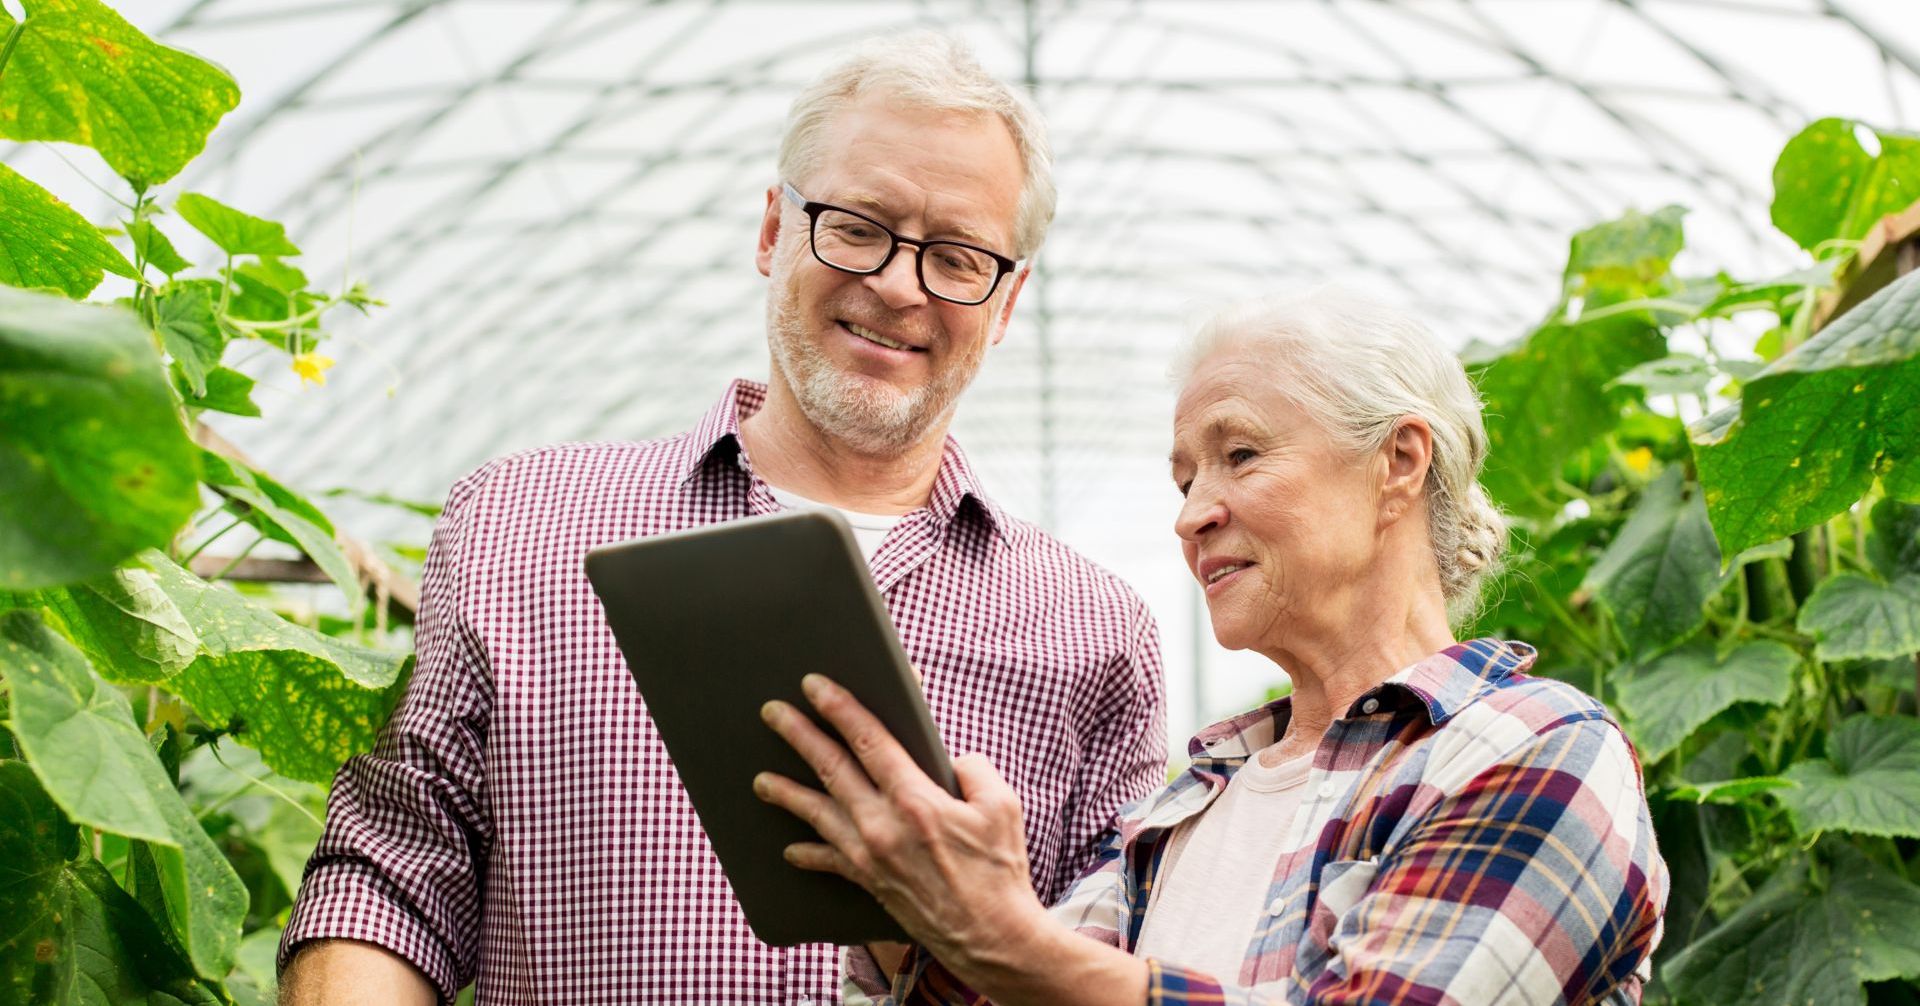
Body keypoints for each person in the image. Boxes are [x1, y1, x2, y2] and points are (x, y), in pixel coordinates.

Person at [277, 32, 1168, 1005]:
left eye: (957, 258)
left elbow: (1109, 963)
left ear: (1006, 302)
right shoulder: (521, 524)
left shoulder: (1094, 632)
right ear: (773, 229)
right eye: (857, 227)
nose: (898, 284)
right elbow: (392, 874)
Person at [758, 288, 1669, 1005]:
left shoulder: (1535, 751)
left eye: (1241, 456)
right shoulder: (1185, 810)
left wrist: (1007, 938)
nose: (1192, 515)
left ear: (1398, 461)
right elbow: (1022, 984)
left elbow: (1036, 964)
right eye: (1185, 478)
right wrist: (906, 897)